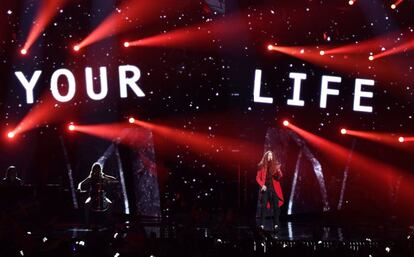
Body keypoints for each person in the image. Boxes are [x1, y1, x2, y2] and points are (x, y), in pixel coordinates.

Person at [256, 150, 284, 231]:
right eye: (269, 155)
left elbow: (279, 177)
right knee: (263, 207)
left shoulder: (275, 166)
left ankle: (276, 224)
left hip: (274, 188)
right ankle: (262, 225)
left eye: (271, 155)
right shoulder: (261, 166)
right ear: (266, 156)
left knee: (276, 206)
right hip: (265, 188)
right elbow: (257, 178)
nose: (270, 157)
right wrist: (262, 185)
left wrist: (278, 170)